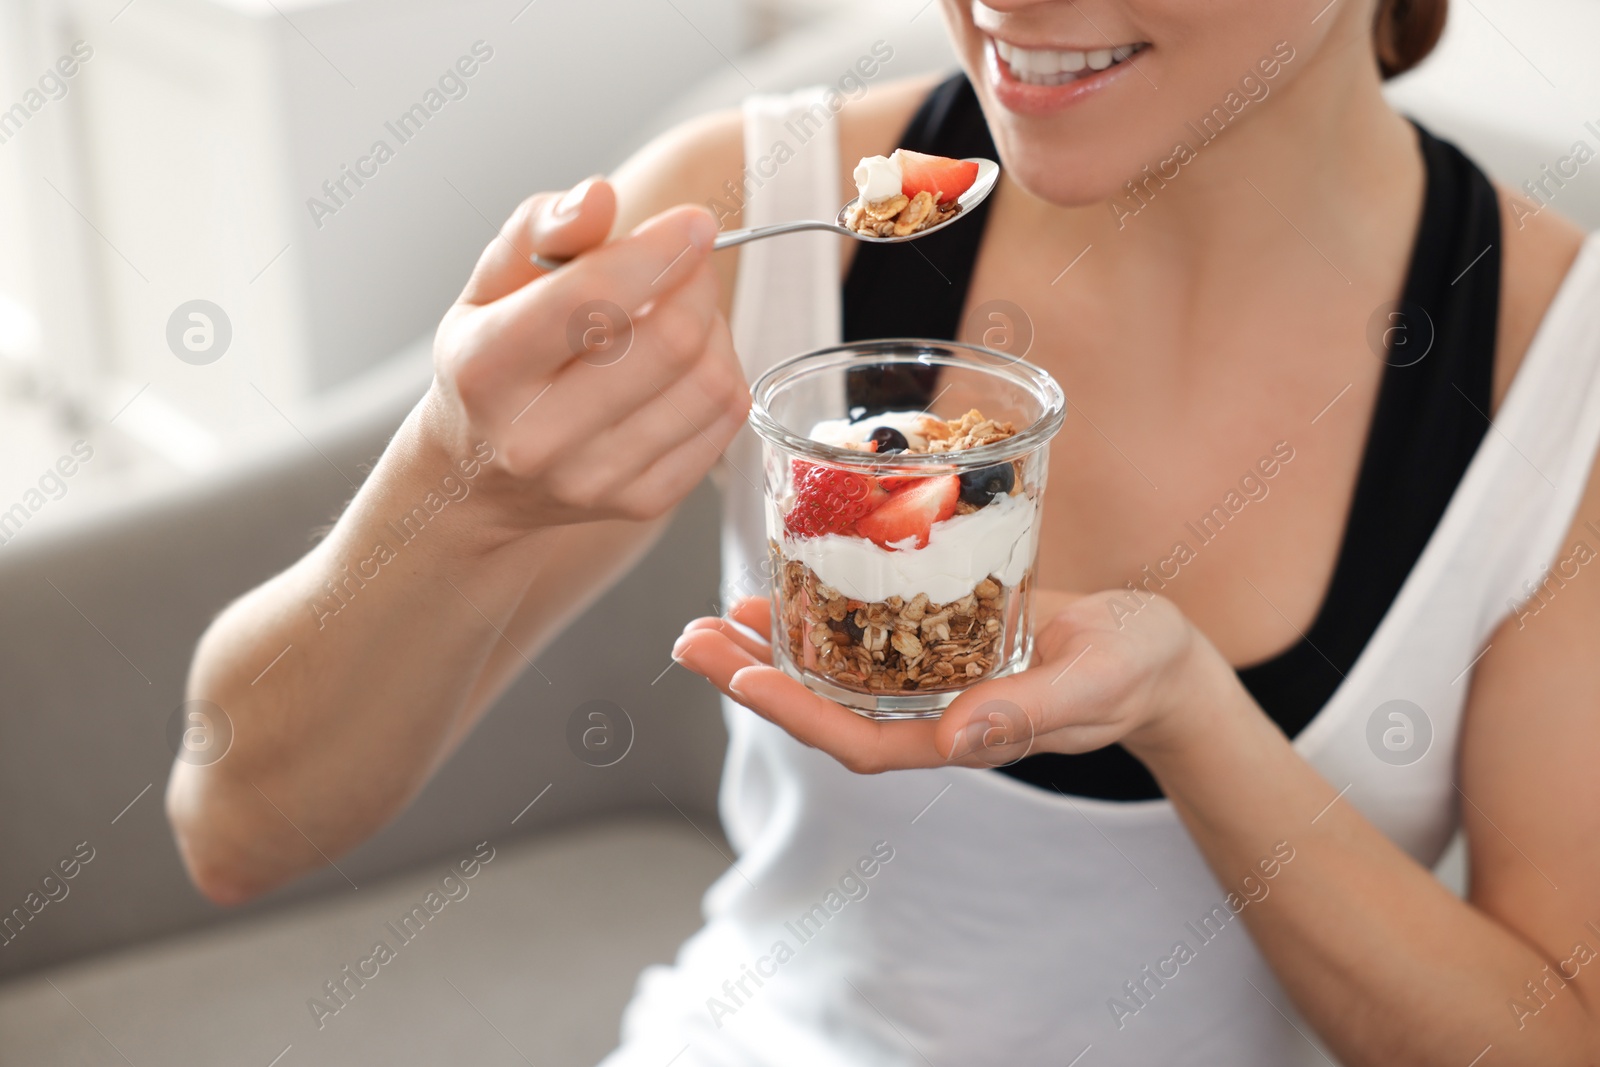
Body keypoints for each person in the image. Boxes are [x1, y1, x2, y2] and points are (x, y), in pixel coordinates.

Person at [168, 0, 1600, 1063]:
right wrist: (463, 489)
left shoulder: (1560, 375)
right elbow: (234, 825)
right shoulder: (764, 214)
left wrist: (1188, 714)